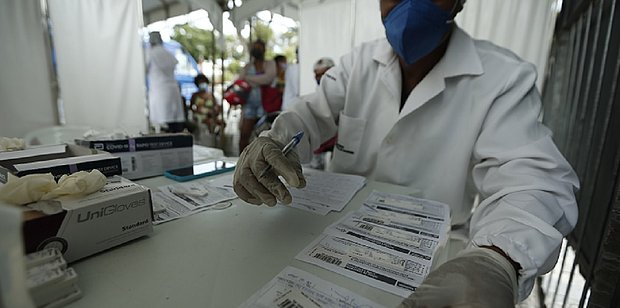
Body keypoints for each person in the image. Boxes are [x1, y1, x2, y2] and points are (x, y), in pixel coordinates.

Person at [233, 0, 579, 306]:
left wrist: (496, 259)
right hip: (330, 244)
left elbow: (534, 180)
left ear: (460, 1)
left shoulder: (503, 77)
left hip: (434, 263)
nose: (411, 5)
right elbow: (310, 114)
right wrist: (274, 140)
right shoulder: (358, 63)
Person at [237, 39, 277, 153]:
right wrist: (259, 80)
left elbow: (268, 79)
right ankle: (242, 161)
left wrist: (249, 79)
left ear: (264, 49)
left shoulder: (270, 64)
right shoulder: (247, 67)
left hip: (265, 105)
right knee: (244, 135)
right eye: (255, 47)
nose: (257, 50)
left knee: (264, 137)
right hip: (249, 105)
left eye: (259, 47)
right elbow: (240, 81)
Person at [146, 32, 185, 133]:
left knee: (161, 124)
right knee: (174, 123)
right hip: (173, 90)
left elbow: (143, 69)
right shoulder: (167, 53)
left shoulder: (149, 53)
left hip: (159, 91)